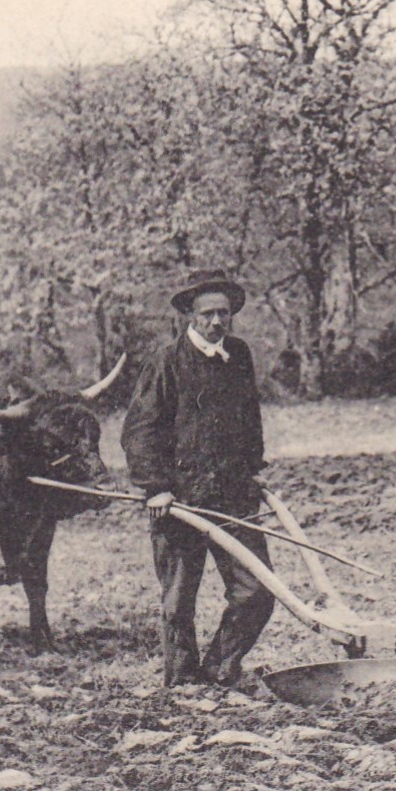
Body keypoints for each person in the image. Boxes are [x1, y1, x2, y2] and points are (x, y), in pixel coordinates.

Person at [122, 269, 273, 689]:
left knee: (256, 593)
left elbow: (250, 419)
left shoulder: (238, 356)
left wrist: (252, 468)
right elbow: (140, 429)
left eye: (223, 313)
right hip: (180, 501)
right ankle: (184, 683)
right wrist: (156, 487)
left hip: (234, 497)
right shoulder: (166, 362)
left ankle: (219, 668)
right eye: (207, 314)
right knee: (178, 603)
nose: (216, 322)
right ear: (190, 315)